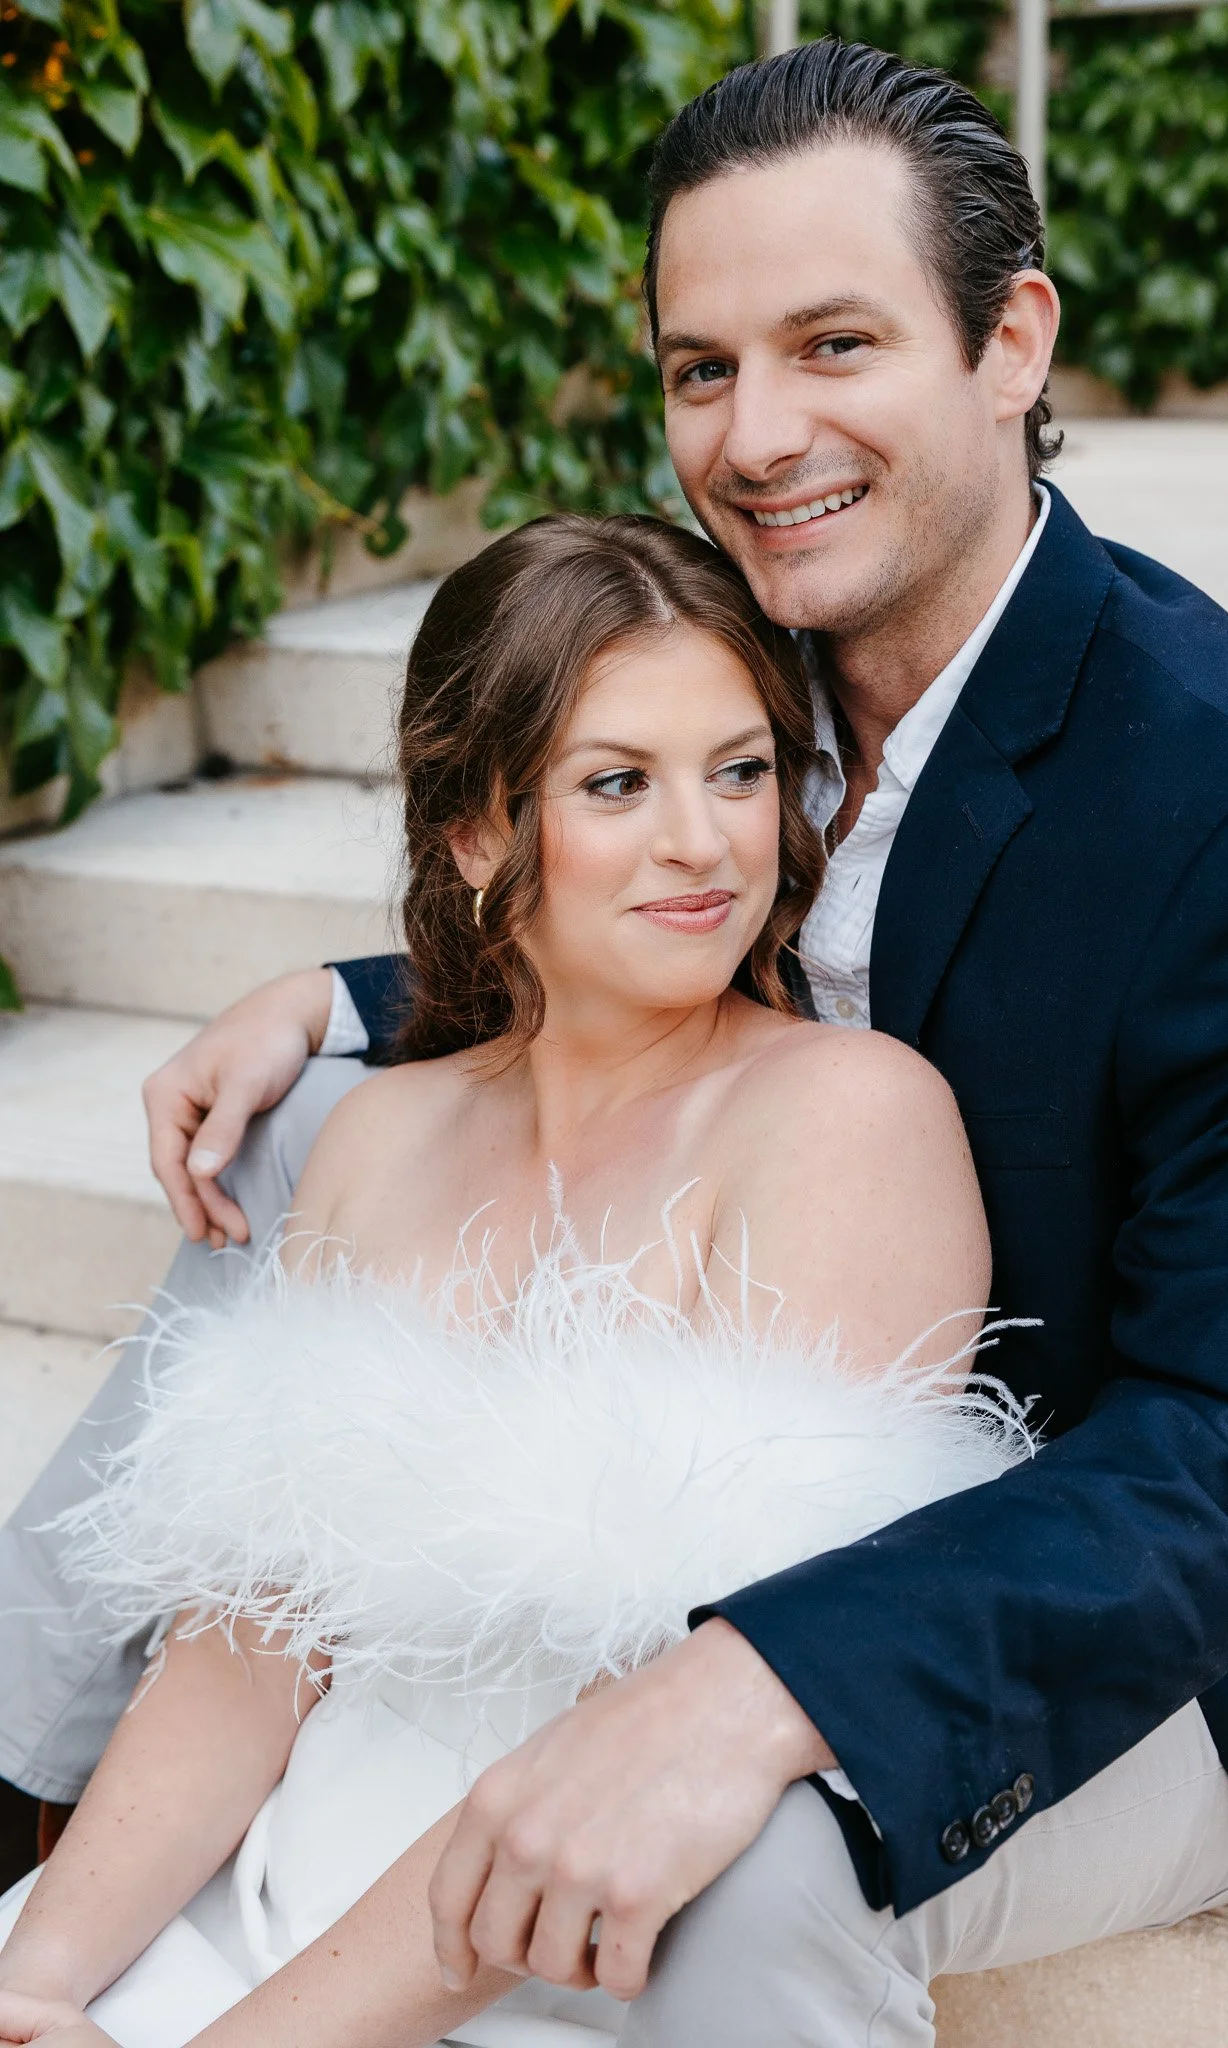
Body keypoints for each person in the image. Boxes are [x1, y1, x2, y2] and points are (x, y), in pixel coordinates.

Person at [5, 36, 1228, 2046]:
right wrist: (351, 1003)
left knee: (734, 1845)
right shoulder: (766, 649)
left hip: (1129, 1587)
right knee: (306, 1145)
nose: (754, 434)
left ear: (1010, 340)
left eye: (833, 344)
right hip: (771, 1381)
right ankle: (40, 1799)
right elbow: (667, 930)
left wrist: (768, 1672)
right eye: (697, 366)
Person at [0, 513, 1021, 2047]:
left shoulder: (847, 1121)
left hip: (562, 1965)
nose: (704, 841)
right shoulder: (379, 1135)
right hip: (272, 1897)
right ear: (479, 835)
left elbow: (651, 1759)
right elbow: (250, 1647)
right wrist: (42, 1978)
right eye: (619, 783)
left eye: (740, 770)